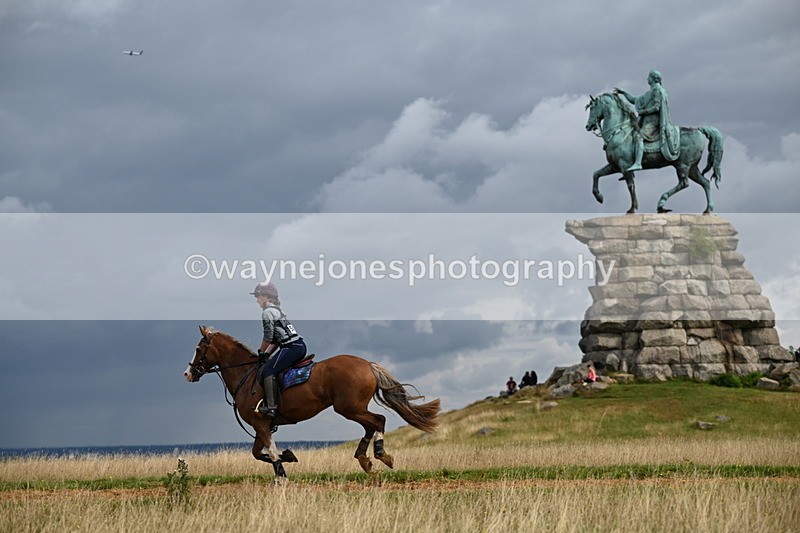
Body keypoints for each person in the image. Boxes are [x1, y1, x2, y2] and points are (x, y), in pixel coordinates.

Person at [250, 282, 307, 418]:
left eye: (258, 296)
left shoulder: (267, 312)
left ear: (265, 296)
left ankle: (271, 407)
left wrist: (260, 352)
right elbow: (276, 340)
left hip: (291, 347)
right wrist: (266, 353)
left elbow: (268, 337)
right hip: (298, 346)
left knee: (268, 371)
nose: (257, 300)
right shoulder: (277, 311)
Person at [614, 69, 679, 171]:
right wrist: (624, 93)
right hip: (646, 122)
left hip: (654, 123)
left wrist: (644, 112)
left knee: (638, 136)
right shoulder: (650, 92)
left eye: (649, 77)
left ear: (653, 78)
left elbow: (657, 107)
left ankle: (638, 163)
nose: (647, 79)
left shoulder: (658, 90)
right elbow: (635, 100)